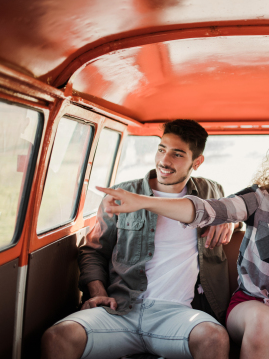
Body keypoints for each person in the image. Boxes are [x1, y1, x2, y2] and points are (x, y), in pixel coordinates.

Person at [97, 122, 269, 359]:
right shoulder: (259, 198)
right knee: (262, 322)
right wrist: (143, 201)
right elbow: (206, 211)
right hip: (252, 303)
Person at [41, 119, 234, 359]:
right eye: (162, 149)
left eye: (177, 154)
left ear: (197, 162)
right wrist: (98, 292)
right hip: (121, 309)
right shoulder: (123, 194)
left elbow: (235, 205)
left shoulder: (210, 193)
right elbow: (93, 251)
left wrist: (228, 218)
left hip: (178, 315)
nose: (164, 161)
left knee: (214, 338)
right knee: (58, 337)